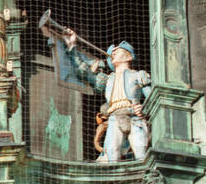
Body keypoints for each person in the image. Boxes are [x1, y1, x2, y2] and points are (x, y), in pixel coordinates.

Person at [64, 34, 151, 163]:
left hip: (134, 117)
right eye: (113, 52)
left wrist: (144, 108)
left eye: (118, 51)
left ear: (129, 56)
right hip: (114, 118)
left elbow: (151, 97)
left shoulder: (139, 75)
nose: (113, 54)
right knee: (111, 151)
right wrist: (72, 46)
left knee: (141, 153)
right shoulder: (108, 79)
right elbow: (84, 72)